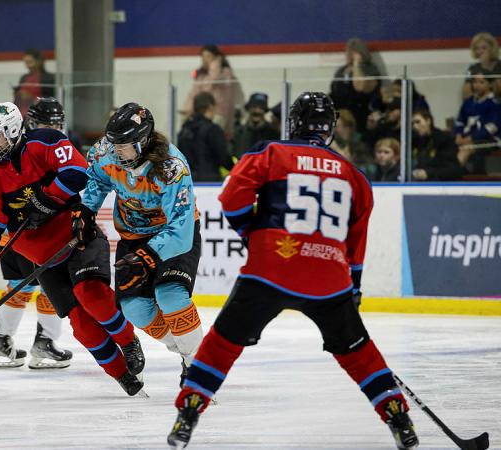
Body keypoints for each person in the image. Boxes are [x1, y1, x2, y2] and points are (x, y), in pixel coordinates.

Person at [168, 92, 418, 450]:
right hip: (329, 279)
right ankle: (399, 418)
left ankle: (188, 413)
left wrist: (251, 234)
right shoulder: (354, 175)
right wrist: (355, 286)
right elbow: (356, 241)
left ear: (294, 122)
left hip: (270, 269)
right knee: (359, 353)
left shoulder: (269, 152)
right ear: (330, 129)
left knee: (222, 343)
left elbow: (231, 198)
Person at [0, 102, 145, 395]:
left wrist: (46, 199)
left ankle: (127, 341)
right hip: (45, 261)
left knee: (93, 294)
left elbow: (77, 171)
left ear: (12, 130)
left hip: (77, 238)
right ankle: (122, 375)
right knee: (82, 325)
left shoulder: (46, 141)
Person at [78, 102, 204, 386]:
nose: (116, 151)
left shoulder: (171, 167)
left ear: (144, 141)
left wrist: (148, 256)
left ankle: (198, 366)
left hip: (172, 239)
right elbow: (98, 179)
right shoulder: (106, 151)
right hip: (133, 238)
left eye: (124, 145)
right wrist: (86, 210)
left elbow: (180, 230)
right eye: (114, 144)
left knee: (170, 295)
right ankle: (187, 353)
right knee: (135, 309)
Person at [0, 97, 76, 370]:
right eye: (47, 123)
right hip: (30, 235)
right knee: (50, 282)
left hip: (12, 236)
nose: (52, 128)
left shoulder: (44, 147)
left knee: (21, 285)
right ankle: (45, 341)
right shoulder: (38, 148)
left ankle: (0, 338)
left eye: (56, 124)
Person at [181, 44, 244, 139]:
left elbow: (213, 81)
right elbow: (194, 94)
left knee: (212, 137)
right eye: (202, 56)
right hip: (202, 113)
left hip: (219, 113)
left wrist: (215, 64)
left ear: (217, 58)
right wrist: (187, 110)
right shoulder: (202, 75)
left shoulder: (225, 72)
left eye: (208, 56)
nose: (204, 59)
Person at [330, 38, 382, 133]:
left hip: (361, 113)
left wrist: (356, 64)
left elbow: (360, 87)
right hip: (341, 115)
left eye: (351, 52)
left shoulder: (370, 69)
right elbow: (334, 90)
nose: (348, 55)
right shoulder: (342, 70)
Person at [455, 67, 501, 175]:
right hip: (466, 138)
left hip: (490, 140)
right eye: (475, 82)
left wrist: (469, 138)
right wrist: (458, 135)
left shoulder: (495, 104)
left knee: (467, 148)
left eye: (481, 82)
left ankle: (452, 174)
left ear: (490, 84)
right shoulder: (468, 102)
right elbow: (460, 122)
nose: (477, 85)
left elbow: (491, 127)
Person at [177, 92, 233, 181]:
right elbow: (223, 157)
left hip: (188, 181)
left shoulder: (184, 131)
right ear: (210, 107)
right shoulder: (213, 130)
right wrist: (235, 168)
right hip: (210, 182)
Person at [411, 110, 463, 181]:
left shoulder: (443, 139)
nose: (415, 126)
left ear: (428, 121)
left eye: (418, 122)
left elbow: (452, 169)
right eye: (413, 124)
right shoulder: (416, 141)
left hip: (444, 185)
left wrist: (428, 173)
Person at [230, 92, 280, 159]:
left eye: (260, 108)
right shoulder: (238, 133)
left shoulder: (273, 135)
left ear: (265, 111)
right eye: (254, 107)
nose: (257, 111)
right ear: (248, 109)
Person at [14, 49, 56, 118]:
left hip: (39, 114)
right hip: (22, 114)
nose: (28, 66)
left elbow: (51, 99)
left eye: (30, 62)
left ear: (39, 61)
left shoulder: (48, 78)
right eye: (26, 63)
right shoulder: (24, 78)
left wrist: (31, 97)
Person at [462, 32, 501, 99]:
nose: (480, 51)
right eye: (477, 48)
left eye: (484, 48)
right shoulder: (473, 68)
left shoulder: (499, 66)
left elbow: (498, 91)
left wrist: (486, 66)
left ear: (492, 48)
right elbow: (466, 95)